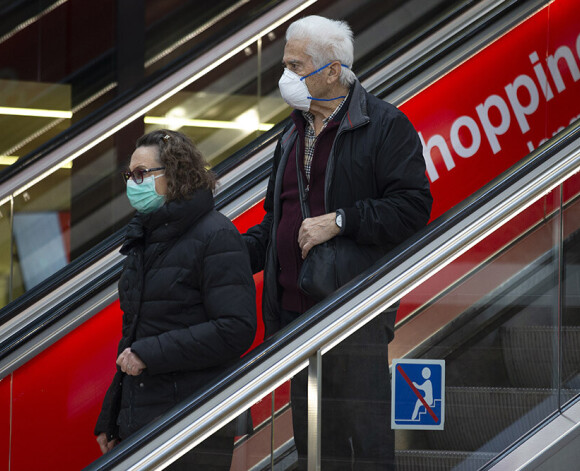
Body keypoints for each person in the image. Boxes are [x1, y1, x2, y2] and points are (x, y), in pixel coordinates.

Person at [243, 16, 433, 470]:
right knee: (316, 450)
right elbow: (278, 220)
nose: (285, 75)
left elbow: (413, 206)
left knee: (364, 445)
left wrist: (342, 221)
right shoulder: (292, 134)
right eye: (285, 63)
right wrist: (221, 254)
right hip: (295, 316)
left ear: (333, 70)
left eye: (296, 64)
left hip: (353, 312)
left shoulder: (384, 125)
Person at [95, 130, 257, 469]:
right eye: (129, 175)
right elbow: (136, 333)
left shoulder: (216, 235)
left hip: (195, 420)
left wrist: (149, 354)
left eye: (142, 174)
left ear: (175, 175)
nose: (132, 183)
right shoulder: (147, 237)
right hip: (148, 417)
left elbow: (235, 329)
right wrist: (113, 415)